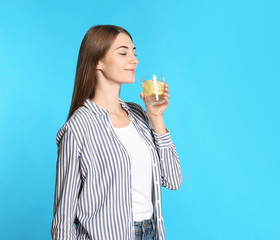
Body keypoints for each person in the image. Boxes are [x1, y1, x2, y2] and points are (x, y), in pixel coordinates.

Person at [51, 25, 182, 240]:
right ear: (97, 62)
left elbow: (173, 180)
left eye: (134, 52)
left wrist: (156, 117)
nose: (134, 59)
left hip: (150, 233)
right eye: (123, 52)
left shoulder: (139, 114)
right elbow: (63, 218)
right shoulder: (78, 128)